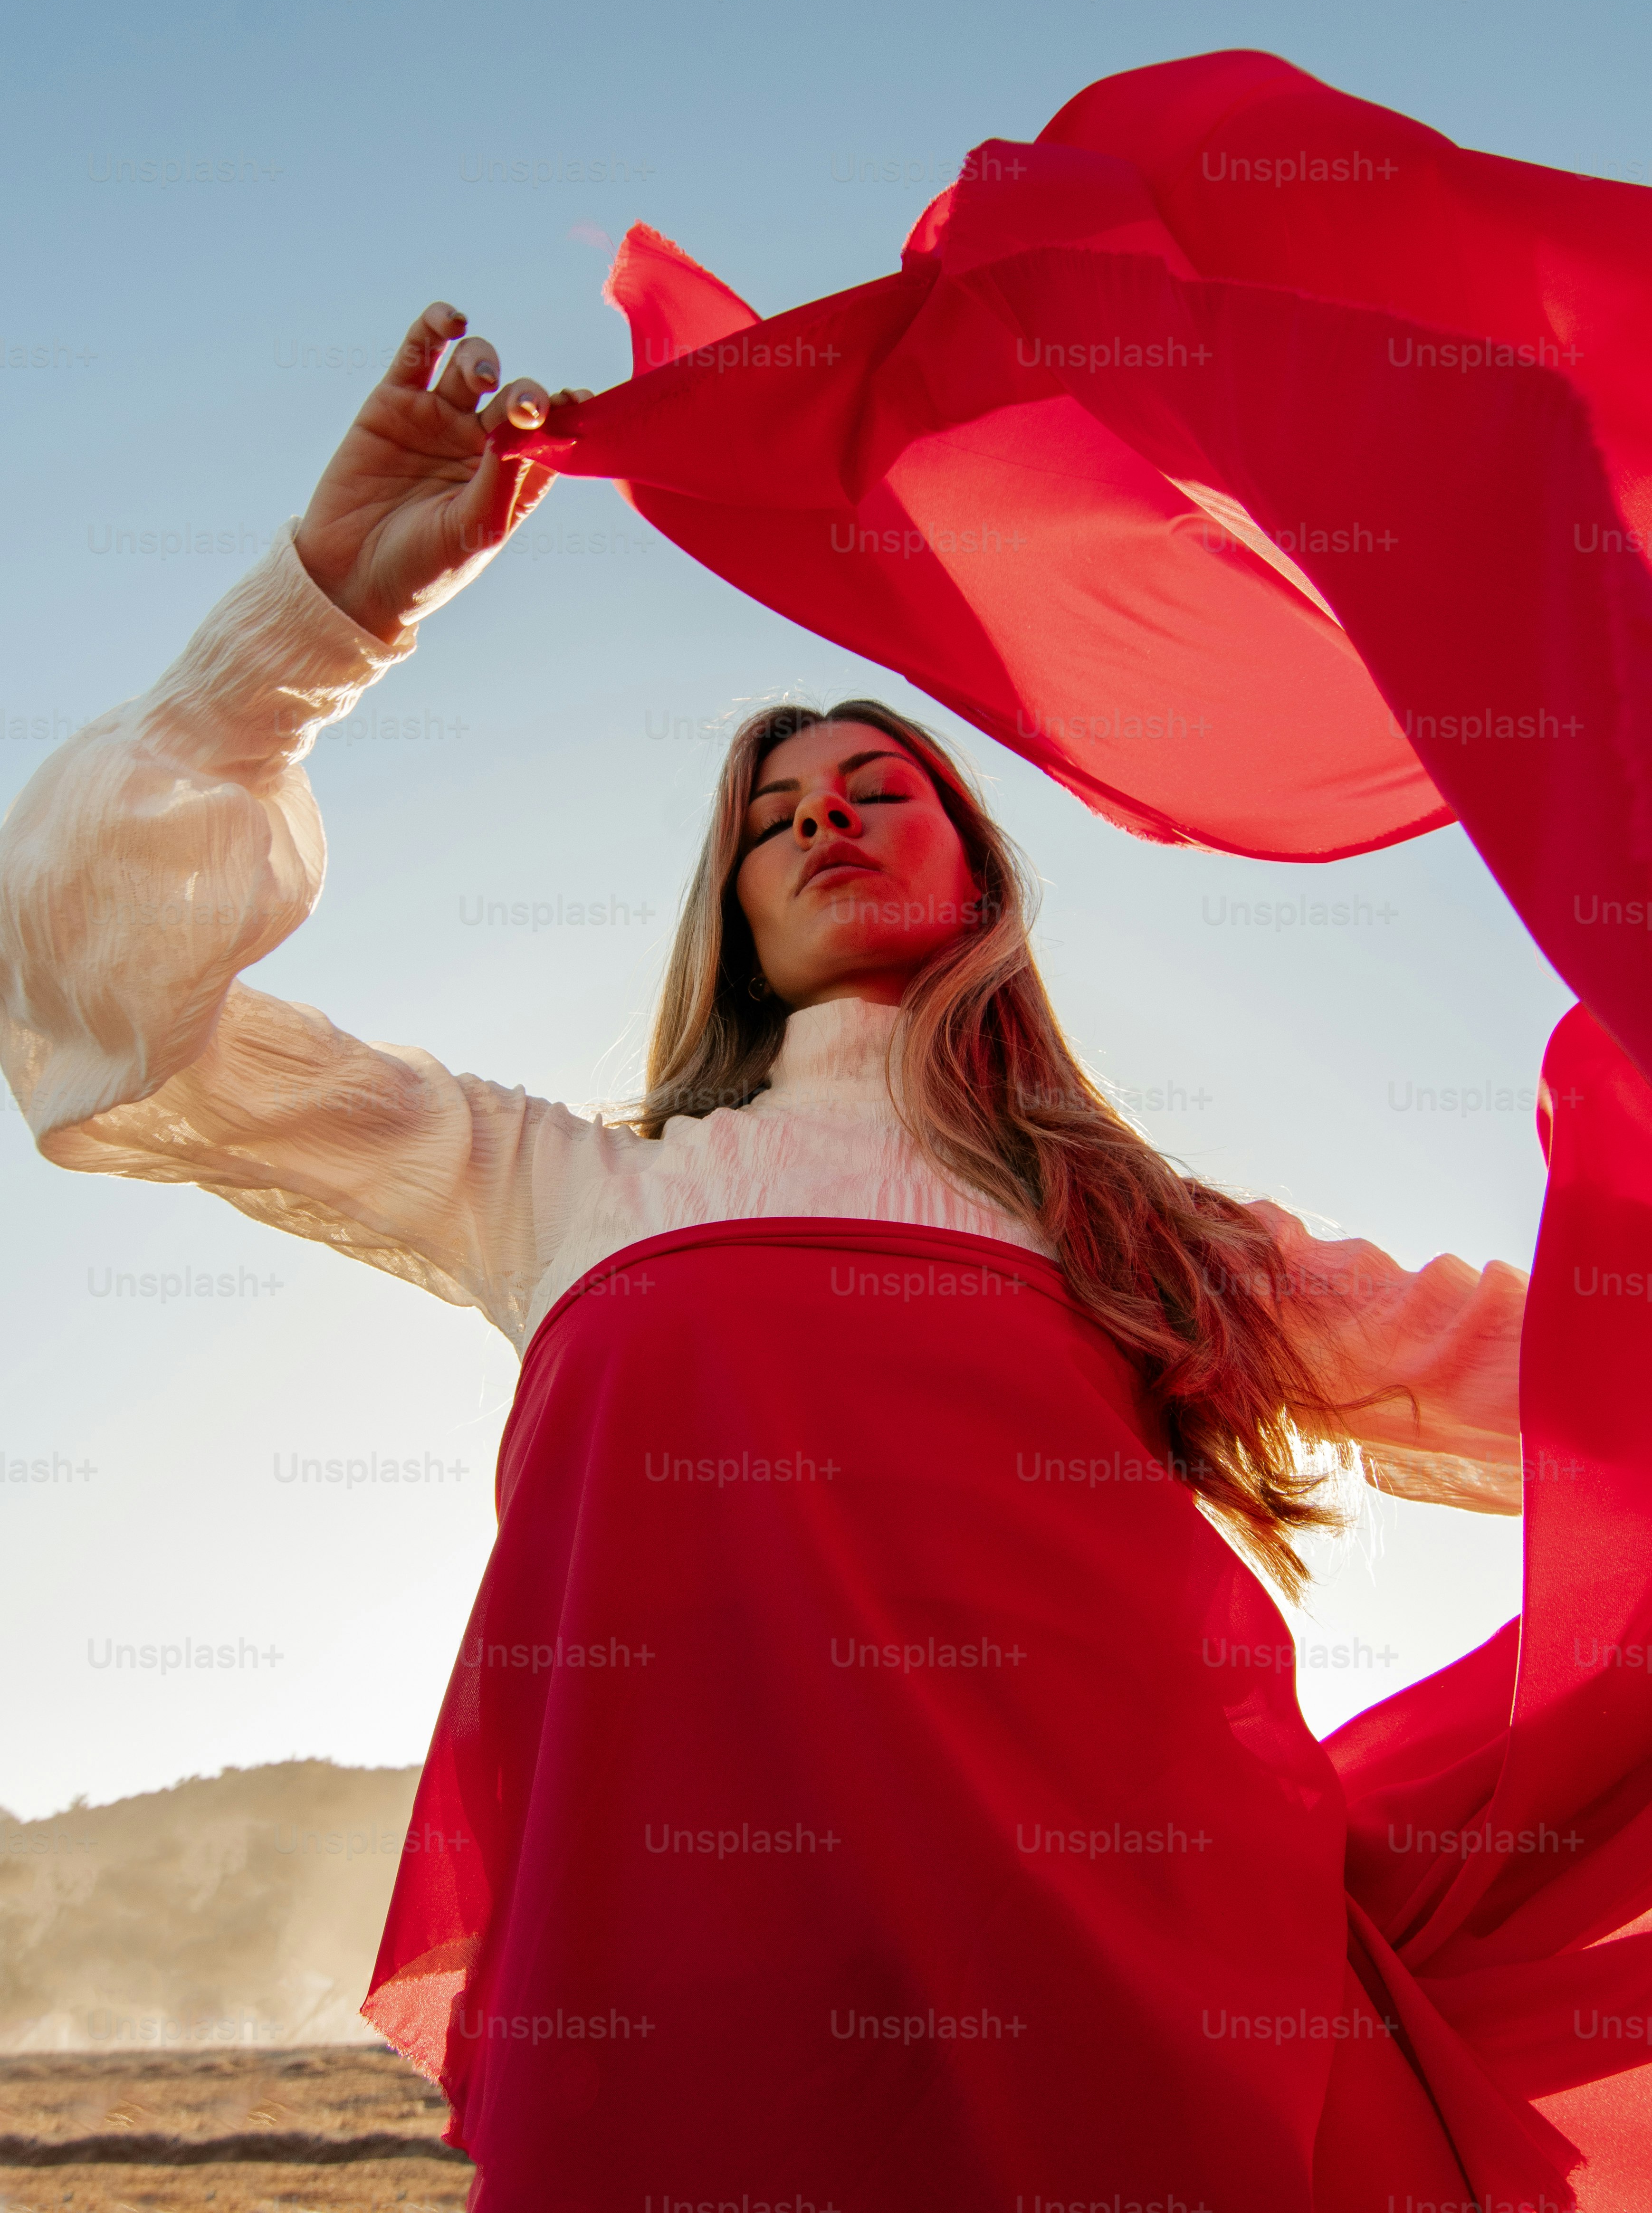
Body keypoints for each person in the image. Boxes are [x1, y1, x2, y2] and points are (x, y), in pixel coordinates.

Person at [0, 307, 1535, 2212]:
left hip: (1152, 2000)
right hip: (709, 2032)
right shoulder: (553, 1186)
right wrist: (317, 615)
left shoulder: (1138, 1229)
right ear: (725, 909)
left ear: (980, 865)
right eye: (770, 810)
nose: (822, 809)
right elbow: (94, 989)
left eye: (878, 783)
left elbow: (1539, 1375)